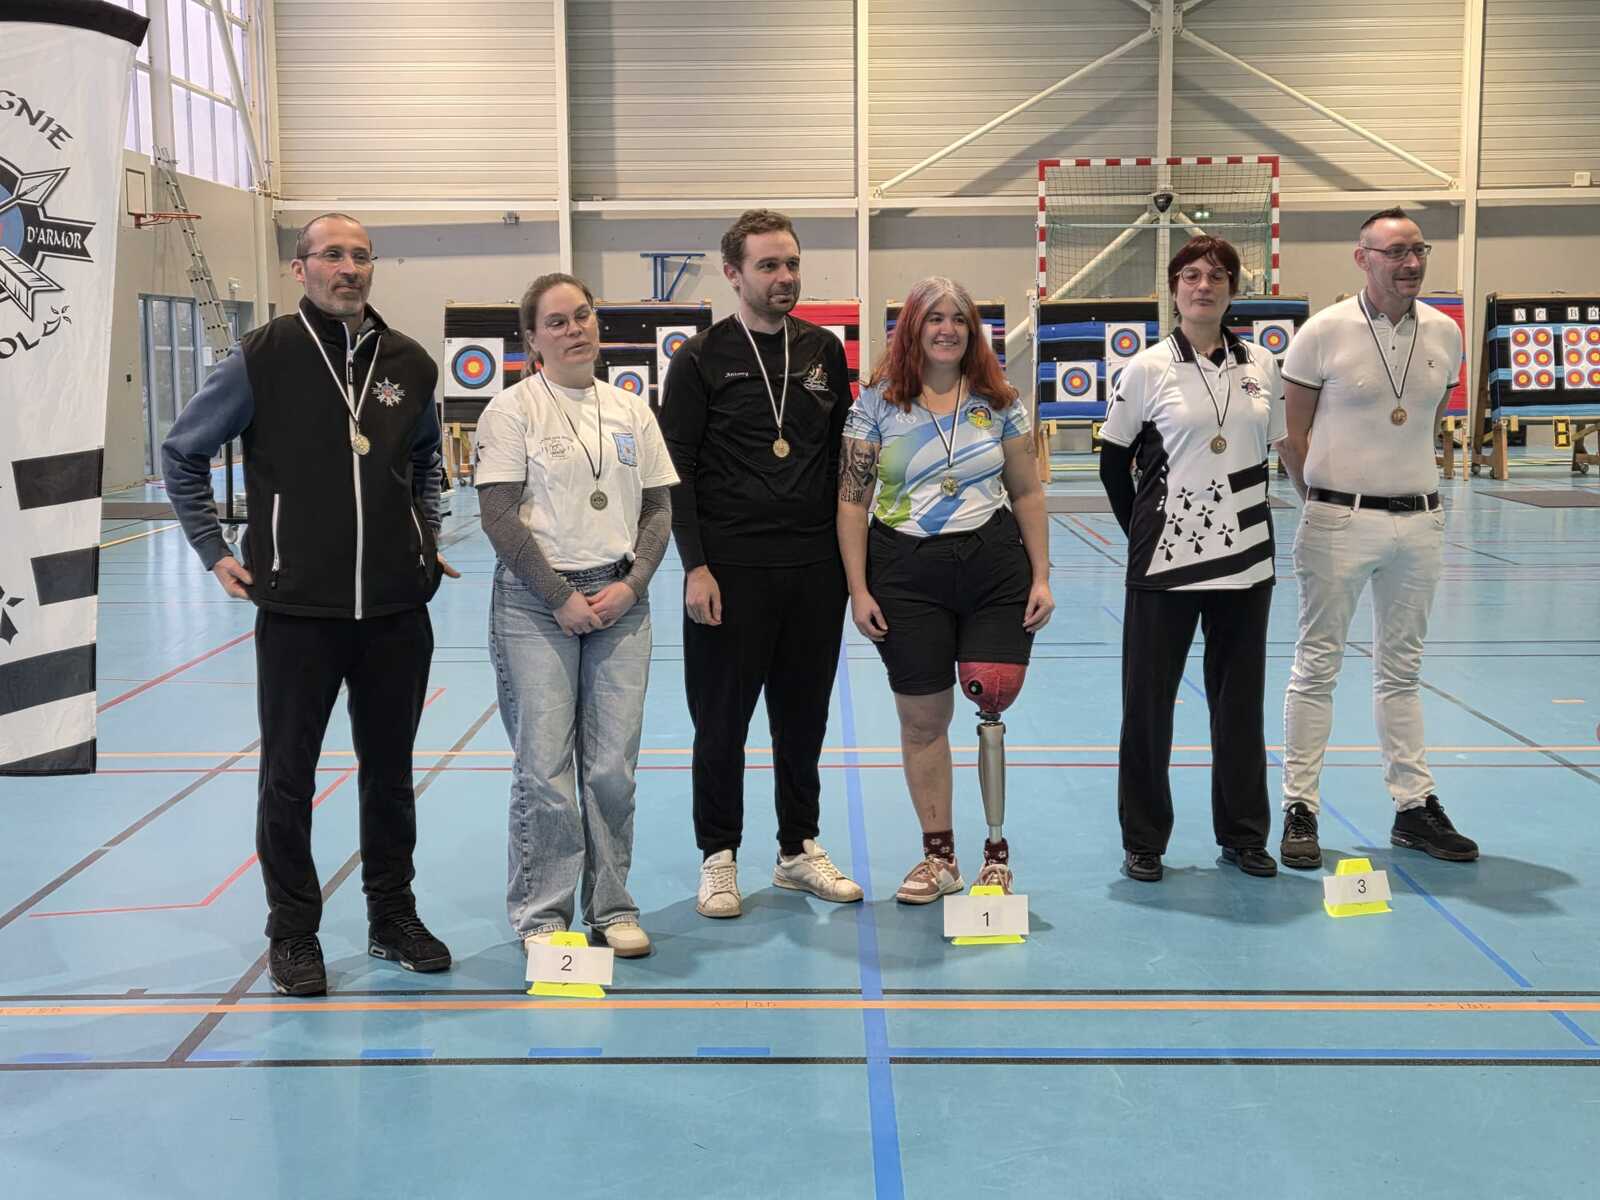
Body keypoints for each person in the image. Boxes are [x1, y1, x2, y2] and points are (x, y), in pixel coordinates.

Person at [163, 213, 458, 996]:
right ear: (301, 269)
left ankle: (392, 916)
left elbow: (427, 459)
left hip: (396, 611)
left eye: (361, 255)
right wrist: (213, 550)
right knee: (288, 780)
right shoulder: (261, 357)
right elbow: (183, 453)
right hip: (299, 612)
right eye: (332, 254)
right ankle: (292, 932)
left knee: (390, 776)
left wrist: (425, 535)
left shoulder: (409, 361)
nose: (349, 267)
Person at [659, 209, 864, 918]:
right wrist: (695, 566)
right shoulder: (699, 359)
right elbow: (676, 469)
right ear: (733, 273)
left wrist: (854, 568)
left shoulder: (824, 351)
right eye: (769, 265)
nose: (785, 277)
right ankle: (718, 856)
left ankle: (797, 849)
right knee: (721, 723)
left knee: (803, 720)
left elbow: (842, 460)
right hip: (730, 573)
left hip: (814, 570)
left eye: (792, 264)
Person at [474, 273, 679, 959]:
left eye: (583, 316)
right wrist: (558, 595)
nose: (574, 330)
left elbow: (658, 509)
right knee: (546, 771)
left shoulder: (631, 409)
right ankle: (543, 916)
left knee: (612, 768)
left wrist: (633, 584)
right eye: (557, 322)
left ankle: (612, 906)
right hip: (536, 605)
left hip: (621, 600)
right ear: (532, 338)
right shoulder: (511, 411)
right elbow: (499, 515)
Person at [837, 276, 1054, 901]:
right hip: (905, 572)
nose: (947, 329)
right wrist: (858, 590)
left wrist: (1041, 575)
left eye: (959, 318)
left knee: (992, 697)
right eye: (934, 318)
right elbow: (851, 502)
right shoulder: (875, 403)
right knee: (922, 720)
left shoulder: (1000, 400)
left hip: (992, 567)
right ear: (912, 327)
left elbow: (1027, 492)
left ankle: (996, 856)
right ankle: (939, 858)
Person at [1275, 207, 1475, 868]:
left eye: (1418, 250)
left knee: (1402, 671)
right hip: (1336, 521)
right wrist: (1324, 502)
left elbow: (1421, 425)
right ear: (1362, 258)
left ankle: (1414, 807)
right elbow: (1292, 438)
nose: (1410, 263)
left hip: (1419, 524)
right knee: (1316, 667)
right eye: (1395, 252)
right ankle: (1300, 808)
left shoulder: (1447, 333)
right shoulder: (1322, 333)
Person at [1099, 237, 1285, 883]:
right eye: (1192, 276)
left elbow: (1273, 449)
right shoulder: (1146, 368)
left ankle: (1243, 835)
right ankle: (1144, 839)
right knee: (1148, 708)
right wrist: (1145, 535)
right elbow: (1113, 465)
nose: (1205, 286)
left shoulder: (1262, 363)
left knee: (1239, 707)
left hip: (1248, 563)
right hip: (1165, 566)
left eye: (1218, 276)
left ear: (1233, 289)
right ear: (1174, 288)